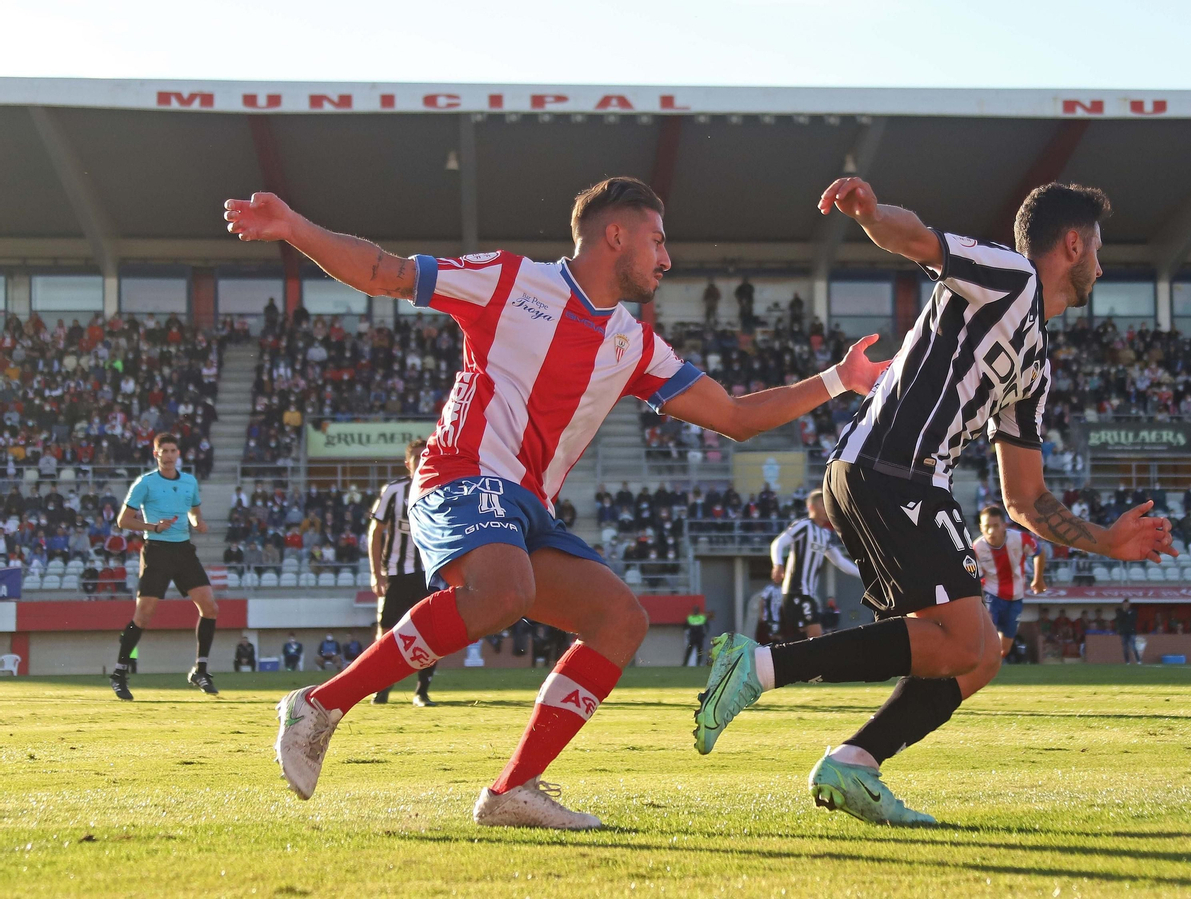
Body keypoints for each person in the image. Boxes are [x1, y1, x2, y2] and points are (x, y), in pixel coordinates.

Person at [228, 175, 888, 830]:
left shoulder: (634, 344)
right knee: (504, 589)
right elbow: (385, 273)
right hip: (461, 474)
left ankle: (513, 789)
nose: (666, 258)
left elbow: (735, 417)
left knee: (620, 620)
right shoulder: (510, 280)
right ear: (615, 234)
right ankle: (318, 704)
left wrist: (840, 379)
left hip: (528, 505)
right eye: (657, 240)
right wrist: (295, 228)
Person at [693, 177, 1175, 825]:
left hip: (909, 479)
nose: (1102, 265)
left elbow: (1025, 498)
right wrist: (871, 216)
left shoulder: (1035, 360)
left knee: (982, 654)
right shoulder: (1011, 275)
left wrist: (1107, 540)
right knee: (962, 641)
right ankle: (753, 665)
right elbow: (919, 239)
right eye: (1098, 251)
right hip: (889, 467)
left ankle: (855, 762)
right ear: (1073, 243)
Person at [108, 433, 217, 700]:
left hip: (183, 550)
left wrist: (196, 523)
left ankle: (200, 670)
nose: (169, 455)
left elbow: (194, 510)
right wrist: (154, 526)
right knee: (144, 614)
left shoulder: (189, 481)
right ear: (156, 454)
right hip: (156, 549)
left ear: (178, 454)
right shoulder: (145, 483)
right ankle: (119, 673)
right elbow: (124, 521)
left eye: (172, 451)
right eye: (164, 451)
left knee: (210, 607)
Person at [367, 439, 438, 707]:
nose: (423, 460)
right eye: (417, 457)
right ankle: (382, 686)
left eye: (427, 456)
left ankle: (422, 691)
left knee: (431, 633)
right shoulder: (394, 491)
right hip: (397, 574)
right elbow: (375, 532)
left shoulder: (441, 490)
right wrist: (376, 574)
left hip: (429, 574)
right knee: (386, 632)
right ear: (407, 463)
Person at [769, 490, 861, 641]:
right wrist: (778, 564)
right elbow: (777, 543)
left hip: (808, 594)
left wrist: (863, 575)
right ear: (811, 507)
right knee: (815, 634)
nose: (826, 508)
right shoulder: (803, 526)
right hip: (795, 591)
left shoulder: (825, 534)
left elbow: (839, 561)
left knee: (803, 639)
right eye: (822, 504)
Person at [971, 505, 1046, 660]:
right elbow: (976, 578)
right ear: (981, 527)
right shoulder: (977, 548)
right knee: (987, 633)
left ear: (1004, 525)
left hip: (1015, 598)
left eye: (995, 526)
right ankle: (977, 666)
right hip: (992, 595)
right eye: (987, 527)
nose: (991, 531)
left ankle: (992, 664)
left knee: (1004, 649)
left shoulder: (1019, 539)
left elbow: (1039, 552)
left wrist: (1038, 579)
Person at [1113, 598, 1140, 665]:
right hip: (1124, 632)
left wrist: (1126, 614)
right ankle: (1127, 661)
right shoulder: (1120, 612)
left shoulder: (1133, 612)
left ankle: (1138, 660)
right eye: (1124, 604)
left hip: (1131, 631)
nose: (1126, 605)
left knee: (1133, 646)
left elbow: (1132, 619)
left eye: (1127, 604)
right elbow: (1119, 620)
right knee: (1125, 647)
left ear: (1129, 604)